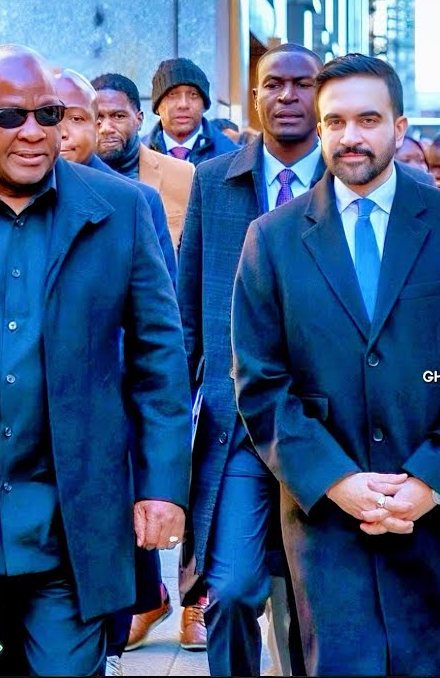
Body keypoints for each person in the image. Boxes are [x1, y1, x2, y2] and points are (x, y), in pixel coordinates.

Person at [0, 44, 191, 675]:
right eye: (10, 117)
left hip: (70, 532)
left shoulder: (120, 211)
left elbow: (160, 359)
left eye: (47, 115)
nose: (32, 132)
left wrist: (161, 485)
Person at [231, 53, 440, 675]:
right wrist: (338, 483)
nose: (350, 137)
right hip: (329, 526)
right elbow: (260, 382)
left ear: (400, 126)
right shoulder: (271, 240)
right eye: (335, 122)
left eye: (368, 119)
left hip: (438, 524)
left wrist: (428, 482)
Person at [178, 42, 328, 676]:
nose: (288, 95)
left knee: (315, 601)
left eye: (303, 83)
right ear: (254, 94)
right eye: (274, 84)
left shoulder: (352, 180)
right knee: (234, 589)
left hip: (327, 426)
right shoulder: (213, 182)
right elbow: (185, 319)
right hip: (237, 424)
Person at [52, 66, 177, 676]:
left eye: (84, 118)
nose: (76, 130)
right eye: (64, 115)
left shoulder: (130, 204)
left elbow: (158, 327)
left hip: (104, 428)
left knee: (85, 611)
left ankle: (111, 640)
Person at [92, 72, 196, 250]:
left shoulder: (183, 175)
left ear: (139, 120)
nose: (106, 128)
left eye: (118, 116)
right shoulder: (69, 177)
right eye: (98, 118)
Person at [146, 57, 239, 167]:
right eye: (172, 94)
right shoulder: (137, 156)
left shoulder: (232, 157)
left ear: (204, 104)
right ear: (157, 106)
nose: (183, 104)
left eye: (193, 95)